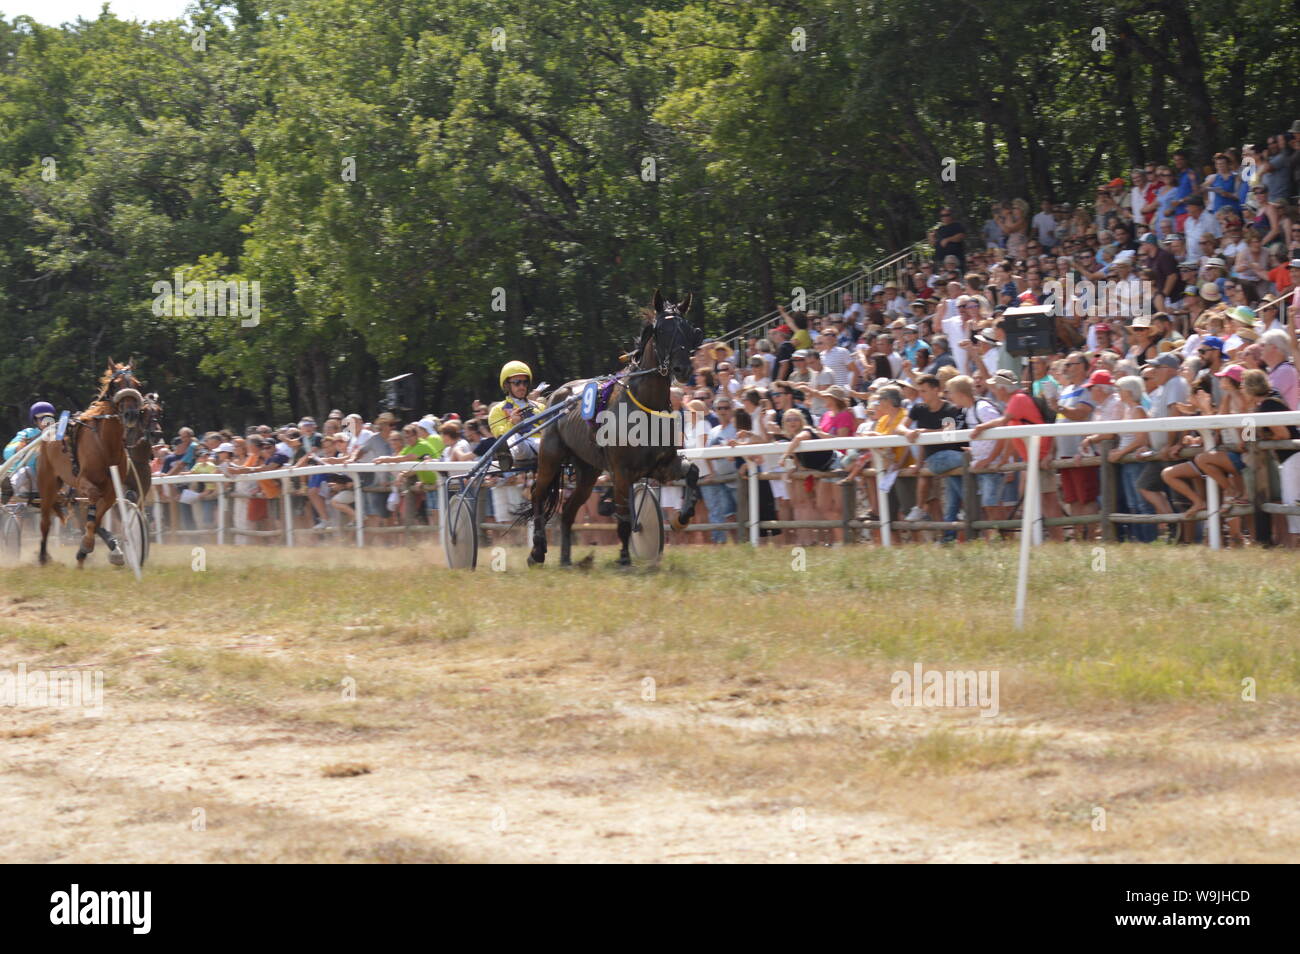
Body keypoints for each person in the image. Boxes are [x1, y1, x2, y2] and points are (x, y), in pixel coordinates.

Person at [488, 360, 546, 467]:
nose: (522, 386)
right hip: (521, 447)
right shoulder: (497, 410)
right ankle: (505, 456)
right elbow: (498, 434)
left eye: (525, 382)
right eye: (517, 382)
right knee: (512, 438)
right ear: (506, 385)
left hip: (543, 442)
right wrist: (512, 424)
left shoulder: (540, 407)